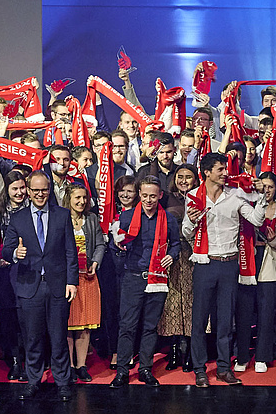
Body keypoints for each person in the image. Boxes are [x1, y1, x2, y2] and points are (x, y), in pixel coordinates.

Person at [182, 152, 267, 387]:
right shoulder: (193, 197)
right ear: (207, 172)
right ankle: (200, 369)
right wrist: (191, 220)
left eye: (225, 168)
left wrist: (261, 199)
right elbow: (186, 233)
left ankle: (223, 368)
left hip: (229, 265)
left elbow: (257, 220)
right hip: (204, 264)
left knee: (225, 321)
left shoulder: (235, 195)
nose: (225, 173)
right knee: (199, 321)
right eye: (220, 169)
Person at [2, 170, 78, 402]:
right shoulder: (18, 218)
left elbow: (70, 252)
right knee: (32, 338)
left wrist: (72, 282)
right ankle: (33, 380)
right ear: (28, 190)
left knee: (58, 338)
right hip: (29, 286)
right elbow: (6, 249)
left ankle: (63, 382)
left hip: (57, 287)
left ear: (49, 189)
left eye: (44, 190)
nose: (40, 194)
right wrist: (16, 252)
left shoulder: (62, 215)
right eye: (35, 190)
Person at [109, 176, 181, 388]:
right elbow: (114, 247)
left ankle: (145, 370)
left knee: (150, 326)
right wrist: (119, 250)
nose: (148, 200)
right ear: (139, 194)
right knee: (127, 326)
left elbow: (175, 244)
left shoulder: (168, 219)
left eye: (153, 196)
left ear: (160, 195)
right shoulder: (127, 217)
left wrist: (172, 255)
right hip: (133, 277)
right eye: (145, 195)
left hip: (157, 277)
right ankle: (122, 371)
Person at [234, 172, 276, 373]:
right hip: (246, 262)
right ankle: (242, 356)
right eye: (263, 186)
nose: (266, 190)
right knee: (244, 313)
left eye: (270, 187)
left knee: (267, 314)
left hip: (269, 264)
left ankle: (263, 357)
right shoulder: (246, 206)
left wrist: (273, 240)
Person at [158, 164, 200, 371]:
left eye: (189, 177)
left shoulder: (200, 196)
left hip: (194, 255)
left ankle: (191, 352)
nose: (184, 180)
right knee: (172, 303)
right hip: (172, 256)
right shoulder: (166, 198)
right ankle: (174, 351)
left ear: (195, 179)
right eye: (180, 176)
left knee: (192, 303)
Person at [63, 183, 105, 382]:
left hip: (88, 277)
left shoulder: (92, 219)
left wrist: (96, 261)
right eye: (77, 198)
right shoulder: (61, 219)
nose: (81, 202)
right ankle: (69, 366)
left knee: (85, 325)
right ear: (69, 199)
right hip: (68, 279)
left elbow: (99, 244)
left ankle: (81, 366)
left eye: (84, 198)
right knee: (69, 325)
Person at [0, 171, 30, 381]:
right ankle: (15, 360)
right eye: (14, 189)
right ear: (7, 190)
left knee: (25, 319)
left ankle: (28, 361)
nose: (19, 192)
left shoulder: (32, 208)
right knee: (8, 318)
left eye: (22, 188)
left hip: (26, 270)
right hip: (4, 272)